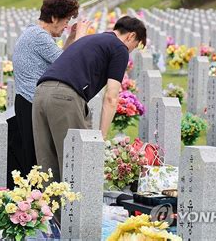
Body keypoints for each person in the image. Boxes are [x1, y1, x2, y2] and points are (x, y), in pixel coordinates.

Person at [32, 16, 147, 182]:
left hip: (41, 93)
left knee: (47, 166)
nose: (130, 50)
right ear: (130, 36)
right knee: (77, 163)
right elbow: (111, 98)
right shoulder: (119, 48)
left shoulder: (91, 39)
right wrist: (101, 137)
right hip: (65, 97)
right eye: (134, 46)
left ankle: (52, 207)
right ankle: (77, 208)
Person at [11, 0, 91, 178]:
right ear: (54, 18)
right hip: (31, 103)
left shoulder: (34, 32)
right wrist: (80, 35)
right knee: (37, 161)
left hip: (29, 102)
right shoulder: (39, 36)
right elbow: (70, 63)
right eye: (66, 21)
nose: (66, 26)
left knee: (36, 158)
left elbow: (60, 60)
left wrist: (71, 37)